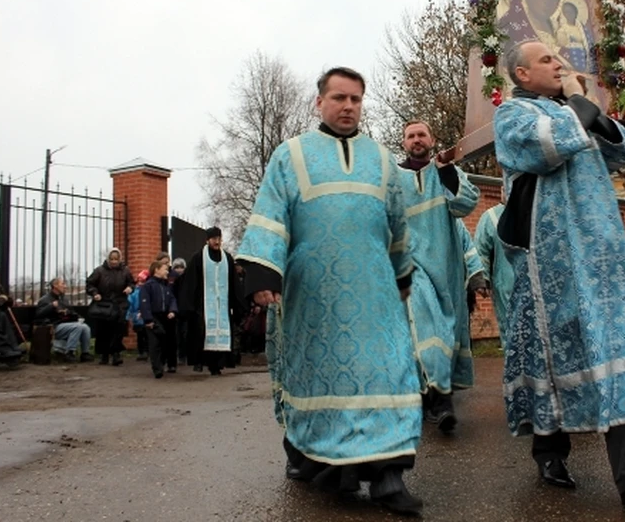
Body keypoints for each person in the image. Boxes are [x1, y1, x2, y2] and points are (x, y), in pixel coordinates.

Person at [493, 41, 625, 508]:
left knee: (616, 345)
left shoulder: (572, 110)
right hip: (550, 256)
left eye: (560, 58)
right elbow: (546, 147)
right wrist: (580, 103)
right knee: (552, 349)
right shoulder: (513, 116)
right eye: (546, 60)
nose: (558, 64)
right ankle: (550, 450)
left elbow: (617, 151)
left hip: (601, 249)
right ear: (521, 73)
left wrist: (592, 110)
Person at [236, 66, 423, 516]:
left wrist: (402, 275)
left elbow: (398, 225)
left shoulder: (381, 160)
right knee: (323, 381)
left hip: (375, 296)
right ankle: (321, 465)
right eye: (339, 98)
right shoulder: (291, 155)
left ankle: (388, 478)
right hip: (313, 296)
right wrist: (263, 274)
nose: (348, 106)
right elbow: (270, 215)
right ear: (319, 102)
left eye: (356, 99)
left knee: (387, 375)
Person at [398, 119, 480, 432]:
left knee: (443, 333)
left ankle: (431, 399)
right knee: (426, 324)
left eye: (421, 134)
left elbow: (465, 205)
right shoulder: (393, 178)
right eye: (410, 136)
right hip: (411, 268)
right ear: (404, 142)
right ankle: (440, 402)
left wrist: (446, 169)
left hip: (445, 271)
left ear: (432, 140)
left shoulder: (447, 172)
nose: (416, 139)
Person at [180, 227, 241, 375]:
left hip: (222, 306)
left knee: (222, 334)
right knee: (202, 334)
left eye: (219, 239)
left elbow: (234, 282)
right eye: (214, 239)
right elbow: (190, 282)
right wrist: (191, 304)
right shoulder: (198, 258)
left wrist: (237, 303)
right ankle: (200, 362)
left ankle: (217, 365)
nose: (217, 242)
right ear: (207, 240)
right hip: (203, 304)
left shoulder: (227, 258)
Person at [473, 190, 514, 348]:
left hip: (533, 284)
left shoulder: (531, 212)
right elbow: (481, 249)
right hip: (505, 284)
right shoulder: (490, 217)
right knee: (509, 327)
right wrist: (482, 279)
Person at [86, 248, 135, 366]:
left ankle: (116, 354)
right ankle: (104, 355)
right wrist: (95, 293)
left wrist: (130, 288)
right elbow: (90, 284)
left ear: (120, 259)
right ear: (108, 259)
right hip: (104, 303)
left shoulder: (125, 271)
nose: (114, 262)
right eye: (112, 259)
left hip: (119, 303)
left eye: (116, 259)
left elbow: (132, 283)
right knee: (104, 330)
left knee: (118, 329)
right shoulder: (99, 271)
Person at [35, 277, 93, 362]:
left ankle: (85, 353)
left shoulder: (63, 299)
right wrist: (51, 306)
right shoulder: (45, 299)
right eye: (63, 284)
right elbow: (38, 314)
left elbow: (71, 311)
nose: (65, 286)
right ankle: (69, 352)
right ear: (55, 285)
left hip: (66, 324)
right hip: (54, 326)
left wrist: (75, 315)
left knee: (85, 327)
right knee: (78, 327)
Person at [140, 259, 179, 378]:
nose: (167, 271)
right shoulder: (148, 285)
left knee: (165, 341)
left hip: (165, 316)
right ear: (156, 270)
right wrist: (148, 320)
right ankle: (157, 368)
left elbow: (172, 299)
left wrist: (172, 310)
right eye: (165, 269)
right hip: (153, 316)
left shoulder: (166, 285)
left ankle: (163, 363)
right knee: (154, 343)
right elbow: (144, 304)